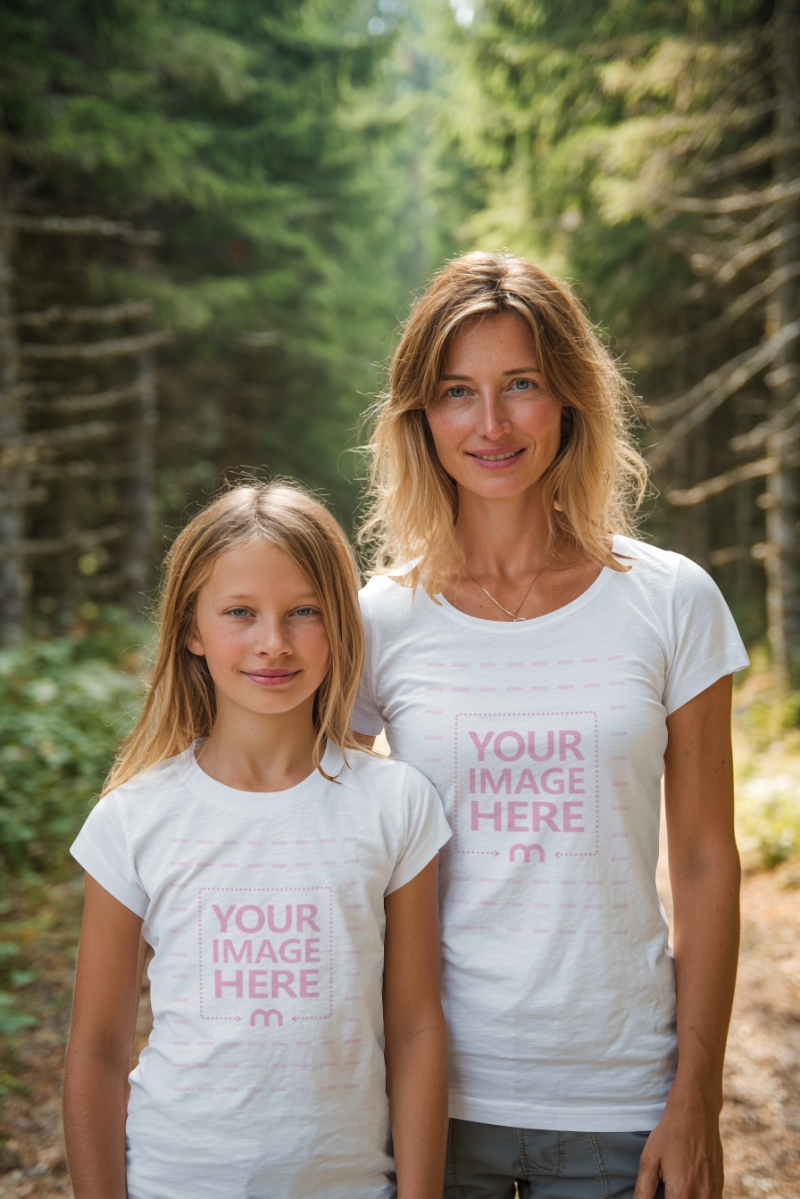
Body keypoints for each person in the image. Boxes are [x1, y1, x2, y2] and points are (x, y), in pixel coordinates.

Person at [354, 252, 748, 1199]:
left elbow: (705, 859)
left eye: (521, 384)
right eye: (457, 391)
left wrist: (697, 1097)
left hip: (622, 1099)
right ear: (421, 416)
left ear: (569, 397)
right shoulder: (378, 620)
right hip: (431, 1102)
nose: (490, 423)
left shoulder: (671, 600)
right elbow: (329, 851)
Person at [63, 480, 452, 1199]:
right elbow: (97, 1050)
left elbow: (415, 1028)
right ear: (191, 629)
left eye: (304, 611)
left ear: (341, 625)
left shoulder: (395, 804)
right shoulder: (135, 817)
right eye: (240, 612)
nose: (273, 642)